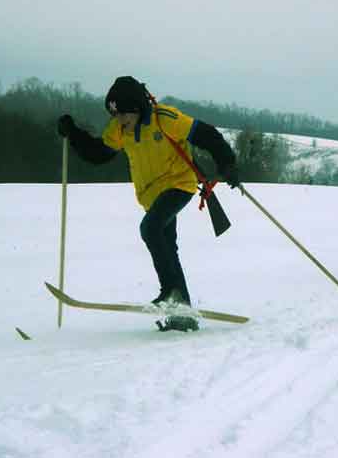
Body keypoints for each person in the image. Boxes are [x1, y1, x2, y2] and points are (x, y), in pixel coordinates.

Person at [57, 76, 240, 330]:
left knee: (150, 229)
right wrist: (74, 134)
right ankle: (182, 314)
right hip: (151, 196)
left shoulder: (164, 119)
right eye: (114, 115)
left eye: (122, 114)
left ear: (136, 108)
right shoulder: (119, 130)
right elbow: (98, 154)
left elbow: (206, 135)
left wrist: (227, 164)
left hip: (178, 185)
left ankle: (170, 292)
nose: (119, 120)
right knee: (167, 246)